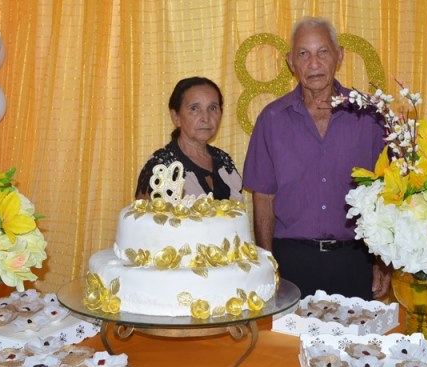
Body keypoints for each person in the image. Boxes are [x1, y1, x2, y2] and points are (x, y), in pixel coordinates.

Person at [242, 16, 390, 300]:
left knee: (355, 344)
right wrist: (267, 264)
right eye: (303, 54)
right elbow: (263, 198)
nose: (313, 63)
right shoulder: (272, 119)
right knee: (288, 344)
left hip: (354, 260)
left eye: (323, 52)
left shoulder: (369, 116)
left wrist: (382, 263)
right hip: (292, 261)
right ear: (290, 62)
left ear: (339, 56)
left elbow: (386, 193)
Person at [135, 77, 243, 201]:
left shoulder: (224, 161)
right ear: (176, 117)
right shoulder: (162, 167)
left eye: (212, 108)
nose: (206, 118)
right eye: (194, 109)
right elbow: (145, 218)